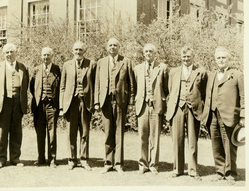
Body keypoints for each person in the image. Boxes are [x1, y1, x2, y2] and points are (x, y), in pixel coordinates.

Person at [202, 47, 244, 184]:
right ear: (215, 60)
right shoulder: (212, 75)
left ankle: (231, 173)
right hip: (212, 115)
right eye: (218, 58)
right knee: (216, 144)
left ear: (228, 59)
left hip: (229, 116)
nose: (221, 60)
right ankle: (220, 172)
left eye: (223, 58)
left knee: (229, 145)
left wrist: (243, 116)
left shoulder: (237, 75)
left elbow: (244, 96)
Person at [166, 46, 207, 180]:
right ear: (181, 57)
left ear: (192, 57)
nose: (186, 59)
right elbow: (171, 89)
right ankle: (177, 169)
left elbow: (204, 92)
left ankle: (193, 170)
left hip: (193, 109)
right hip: (177, 108)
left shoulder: (200, 72)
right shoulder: (173, 72)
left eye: (188, 56)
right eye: (184, 57)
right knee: (177, 139)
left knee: (193, 140)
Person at [94, 38, 135, 173]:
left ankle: (118, 163)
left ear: (119, 47)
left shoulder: (126, 62)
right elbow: (97, 84)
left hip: (120, 102)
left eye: (115, 45)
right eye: (110, 45)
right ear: (107, 47)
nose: (112, 47)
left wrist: (130, 102)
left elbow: (131, 84)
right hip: (105, 102)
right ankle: (108, 162)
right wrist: (96, 102)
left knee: (119, 133)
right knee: (108, 133)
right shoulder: (101, 62)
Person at [0, 43, 29, 169]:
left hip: (17, 103)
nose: (9, 54)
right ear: (3, 54)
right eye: (6, 52)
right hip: (3, 103)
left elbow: (26, 85)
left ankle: (15, 158)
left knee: (17, 132)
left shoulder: (22, 67)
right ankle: (0, 159)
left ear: (16, 53)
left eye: (11, 52)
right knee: (2, 132)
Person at [59, 41, 96, 171]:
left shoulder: (91, 64)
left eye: (80, 50)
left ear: (84, 51)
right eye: (76, 50)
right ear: (72, 51)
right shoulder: (66, 65)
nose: (78, 52)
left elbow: (95, 85)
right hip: (71, 103)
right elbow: (62, 87)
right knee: (71, 133)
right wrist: (62, 107)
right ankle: (72, 159)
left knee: (85, 133)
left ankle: (84, 159)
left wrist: (95, 103)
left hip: (85, 103)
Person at [133, 44, 169, 174]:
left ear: (155, 53)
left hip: (156, 106)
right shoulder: (137, 68)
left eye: (151, 51)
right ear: (143, 53)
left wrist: (161, 99)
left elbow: (166, 87)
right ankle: (143, 164)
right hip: (142, 106)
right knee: (142, 136)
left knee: (155, 137)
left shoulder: (163, 67)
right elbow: (134, 86)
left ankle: (154, 164)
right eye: (146, 51)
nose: (148, 53)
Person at [30, 47, 61, 167]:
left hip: (52, 105)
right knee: (40, 132)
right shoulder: (36, 70)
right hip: (39, 105)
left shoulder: (57, 69)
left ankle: (52, 159)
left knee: (52, 133)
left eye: (48, 55)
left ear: (52, 56)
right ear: (41, 56)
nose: (46, 57)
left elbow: (60, 87)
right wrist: (39, 97)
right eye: (44, 55)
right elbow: (32, 87)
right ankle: (41, 158)